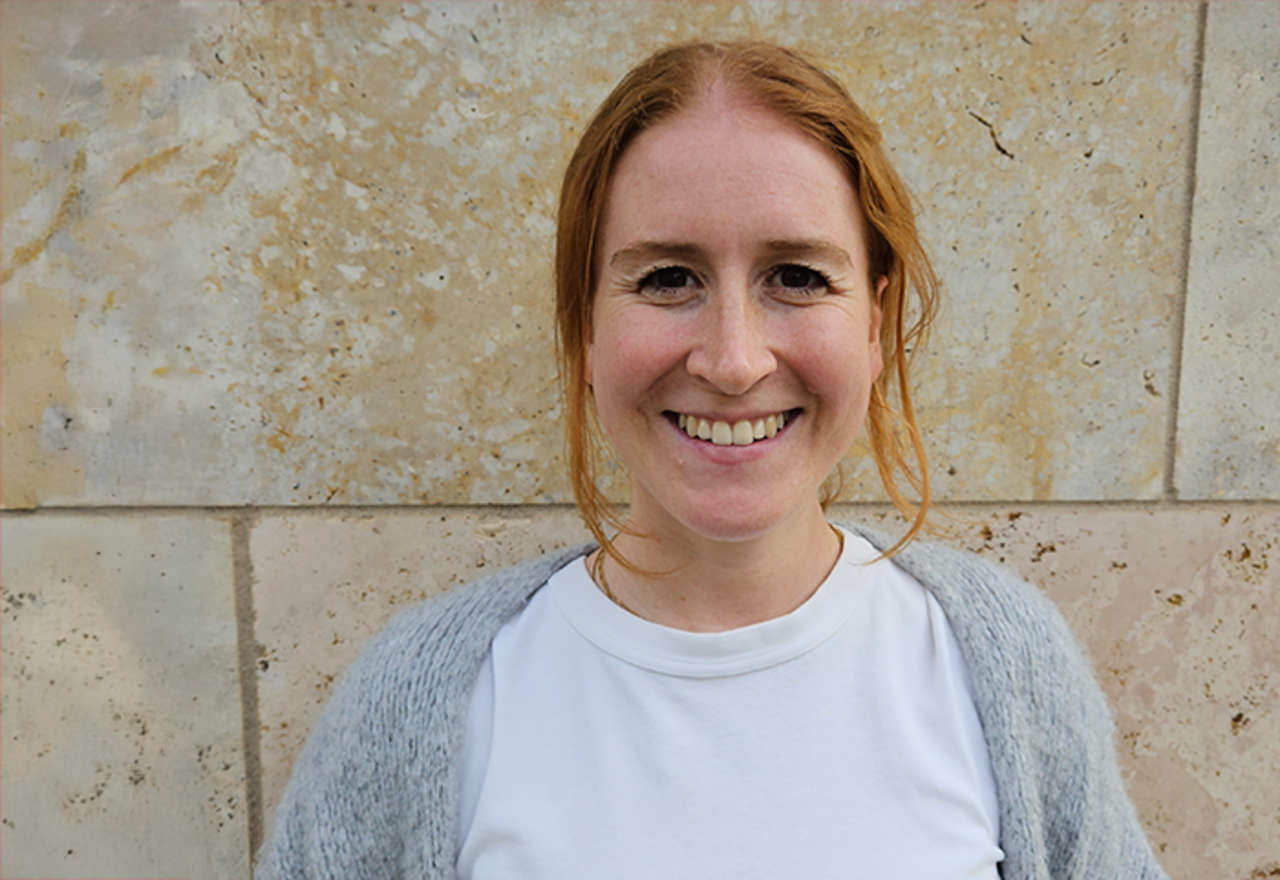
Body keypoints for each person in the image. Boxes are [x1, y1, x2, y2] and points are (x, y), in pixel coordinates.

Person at [257, 41, 1169, 880]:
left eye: (798, 277)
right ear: (585, 329)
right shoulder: (424, 698)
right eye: (668, 279)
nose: (734, 361)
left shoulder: (1000, 664)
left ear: (876, 322)